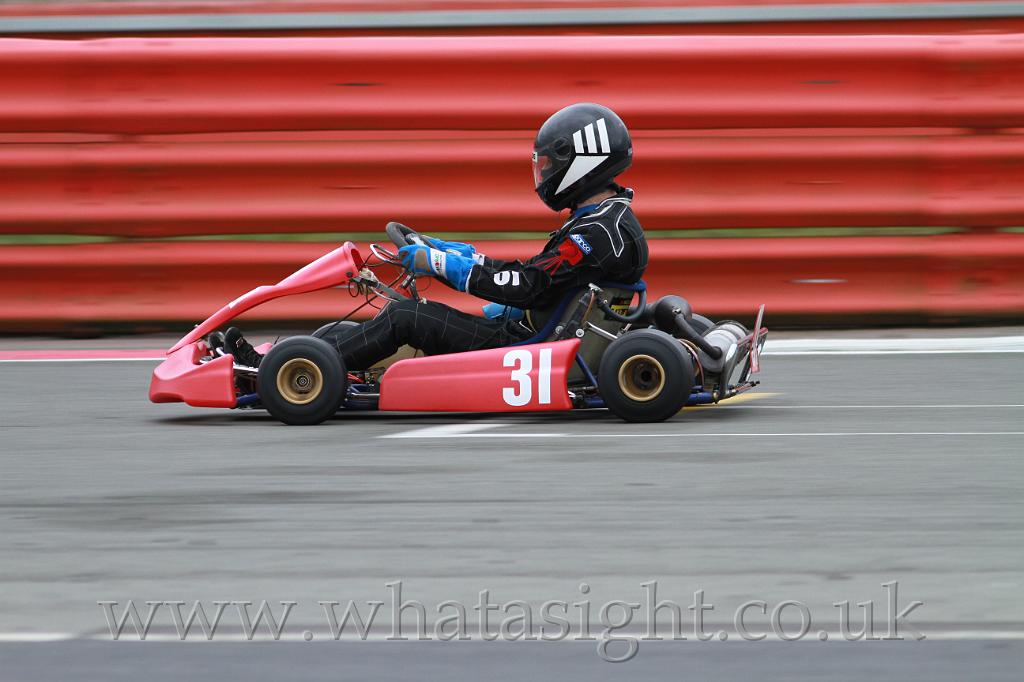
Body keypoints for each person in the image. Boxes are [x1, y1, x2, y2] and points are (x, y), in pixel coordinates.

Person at [224, 102, 648, 370]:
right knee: (376, 323)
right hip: (528, 327)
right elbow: (538, 277)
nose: (545, 176)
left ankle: (290, 373)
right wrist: (452, 252)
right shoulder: (606, 220)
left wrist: (441, 264)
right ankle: (277, 360)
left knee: (407, 317)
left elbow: (528, 286)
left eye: (550, 166)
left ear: (583, 161)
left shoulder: (595, 233)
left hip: (525, 344)